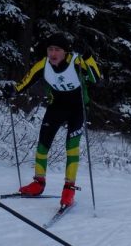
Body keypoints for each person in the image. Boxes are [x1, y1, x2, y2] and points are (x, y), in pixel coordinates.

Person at [7, 33, 100, 209]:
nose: (53, 53)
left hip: (77, 108)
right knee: (43, 144)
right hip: (56, 107)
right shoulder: (43, 64)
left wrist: (87, 55)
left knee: (71, 147)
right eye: (50, 49)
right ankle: (38, 183)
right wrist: (12, 91)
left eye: (57, 49)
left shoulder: (76, 62)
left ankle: (69, 188)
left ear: (65, 52)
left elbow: (96, 78)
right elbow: (25, 82)